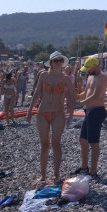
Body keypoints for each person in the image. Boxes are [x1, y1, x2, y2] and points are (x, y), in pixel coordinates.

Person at [27, 51, 75, 187]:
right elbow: (37, 93)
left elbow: (71, 98)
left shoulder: (66, 79)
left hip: (58, 113)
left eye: (60, 60)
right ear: (51, 63)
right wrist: (29, 110)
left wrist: (71, 115)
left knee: (56, 143)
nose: (59, 63)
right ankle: (43, 175)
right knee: (44, 144)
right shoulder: (43, 75)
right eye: (56, 60)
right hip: (42, 112)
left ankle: (56, 174)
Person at [74, 57, 107, 178]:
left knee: (93, 143)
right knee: (83, 139)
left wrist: (79, 104)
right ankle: (84, 167)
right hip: (88, 111)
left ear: (96, 66)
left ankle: (93, 172)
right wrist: (77, 96)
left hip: (96, 111)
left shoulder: (102, 77)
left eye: (89, 69)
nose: (88, 71)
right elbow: (86, 93)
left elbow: (95, 95)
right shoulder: (90, 76)